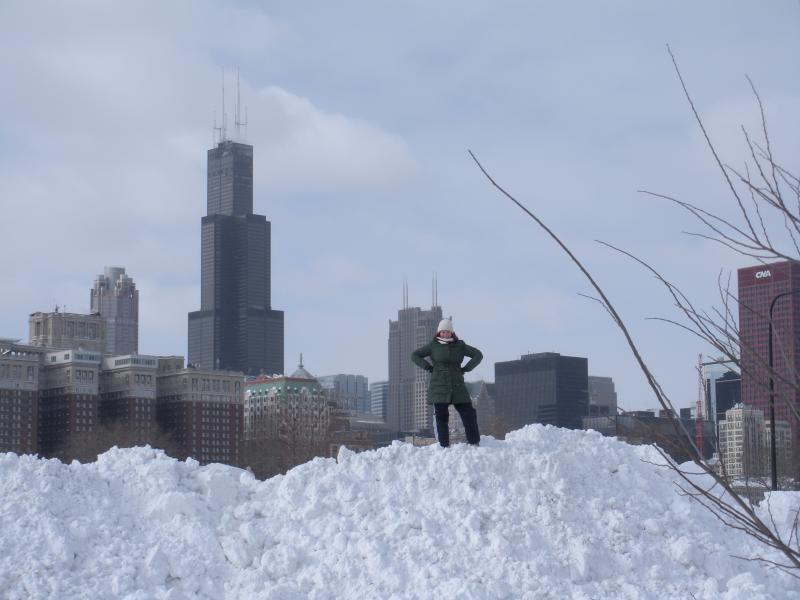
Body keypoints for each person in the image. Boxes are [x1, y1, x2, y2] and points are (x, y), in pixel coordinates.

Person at [411, 317, 483, 447]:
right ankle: (444, 446)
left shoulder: (460, 345)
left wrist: (466, 368)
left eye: (448, 331)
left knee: (469, 413)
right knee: (441, 416)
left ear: (452, 333)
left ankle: (474, 442)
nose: (445, 334)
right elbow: (415, 355)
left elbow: (478, 354)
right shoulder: (433, 346)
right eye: (443, 331)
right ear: (439, 333)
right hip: (439, 386)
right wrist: (428, 367)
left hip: (457, 386)